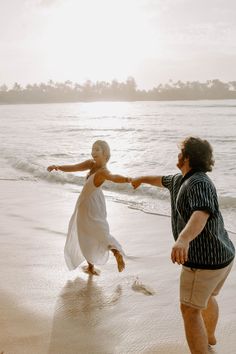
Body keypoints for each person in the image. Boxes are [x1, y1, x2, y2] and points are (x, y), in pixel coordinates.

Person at [131, 136, 235, 354]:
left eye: (180, 152)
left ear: (187, 157)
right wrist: (140, 178)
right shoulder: (180, 180)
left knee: (189, 310)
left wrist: (183, 239)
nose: (177, 155)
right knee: (207, 298)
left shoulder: (199, 182)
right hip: (223, 256)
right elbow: (160, 180)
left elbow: (202, 212)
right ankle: (209, 337)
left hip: (204, 260)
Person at [47, 140, 130, 275]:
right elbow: (74, 167)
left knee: (89, 234)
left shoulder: (103, 171)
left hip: (90, 204)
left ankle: (114, 253)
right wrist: (58, 166)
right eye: (92, 149)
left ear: (105, 154)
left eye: (97, 149)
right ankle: (96, 263)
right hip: (89, 203)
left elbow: (114, 177)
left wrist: (127, 179)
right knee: (93, 234)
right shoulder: (90, 164)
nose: (93, 152)